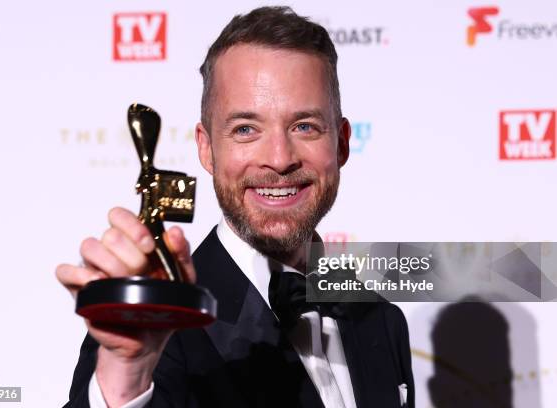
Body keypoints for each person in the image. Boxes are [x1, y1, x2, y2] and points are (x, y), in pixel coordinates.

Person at [57, 6, 414, 408]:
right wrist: (127, 373)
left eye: (305, 127)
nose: (279, 159)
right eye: (246, 129)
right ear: (207, 149)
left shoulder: (381, 320)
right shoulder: (161, 320)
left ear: (343, 143)